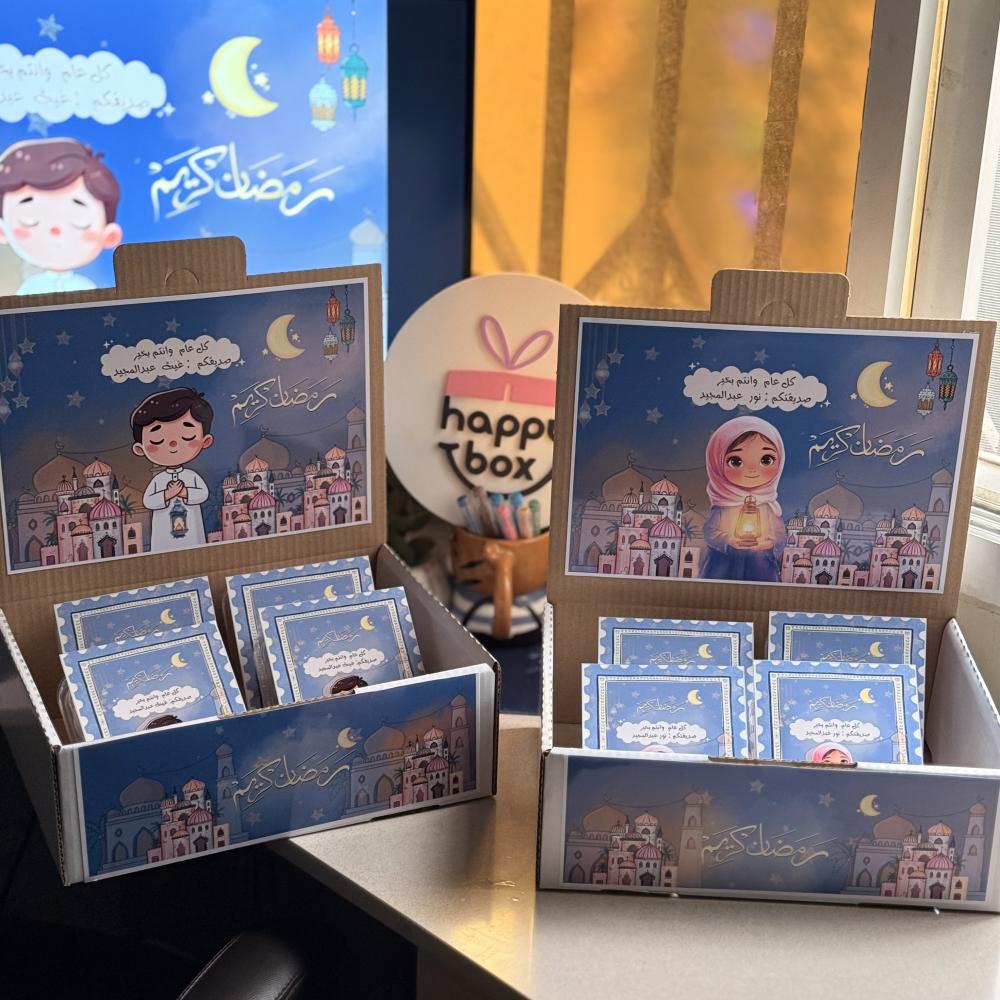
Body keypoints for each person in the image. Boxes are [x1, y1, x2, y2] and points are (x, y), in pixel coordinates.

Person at [0, 137, 122, 294]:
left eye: (79, 221)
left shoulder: (87, 288)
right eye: (30, 220)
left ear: (109, 236)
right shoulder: (29, 288)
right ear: (3, 231)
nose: (55, 230)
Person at [701, 415, 786, 583]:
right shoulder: (723, 504)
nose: (752, 469)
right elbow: (710, 530)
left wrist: (770, 543)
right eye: (735, 461)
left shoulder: (768, 506)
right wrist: (728, 541)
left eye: (766, 460)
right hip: (724, 567)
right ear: (716, 462)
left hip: (759, 567)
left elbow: (780, 534)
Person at [131, 387, 214, 552]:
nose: (173, 444)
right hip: (164, 535)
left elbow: (203, 494)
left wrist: (184, 492)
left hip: (192, 535)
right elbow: (148, 501)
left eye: (187, 437)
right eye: (158, 440)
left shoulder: (191, 476)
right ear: (140, 449)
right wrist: (167, 494)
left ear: (205, 441)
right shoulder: (158, 480)